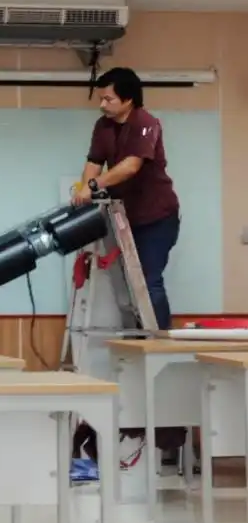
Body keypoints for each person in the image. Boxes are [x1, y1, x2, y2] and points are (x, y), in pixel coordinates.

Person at [72, 66, 180, 331]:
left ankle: (158, 341)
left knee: (149, 279)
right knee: (127, 284)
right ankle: (136, 339)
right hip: (124, 217)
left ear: (128, 99)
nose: (102, 105)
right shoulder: (103, 126)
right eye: (101, 99)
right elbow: (94, 161)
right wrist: (84, 190)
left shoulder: (146, 123)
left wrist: (93, 185)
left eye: (108, 99)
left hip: (156, 218)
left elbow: (131, 166)